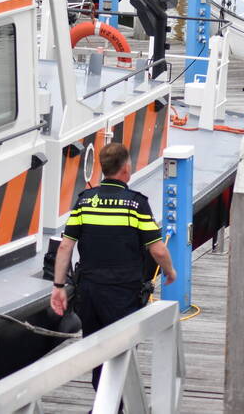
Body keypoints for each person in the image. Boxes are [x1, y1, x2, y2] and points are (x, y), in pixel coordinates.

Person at [50, 143, 176, 391]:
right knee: (122, 353)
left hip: (89, 293)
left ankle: (102, 404)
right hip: (122, 294)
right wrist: (170, 272)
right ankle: (113, 405)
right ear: (126, 169)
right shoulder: (136, 204)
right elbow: (158, 249)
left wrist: (58, 286)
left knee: (97, 351)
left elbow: (65, 247)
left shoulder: (85, 202)